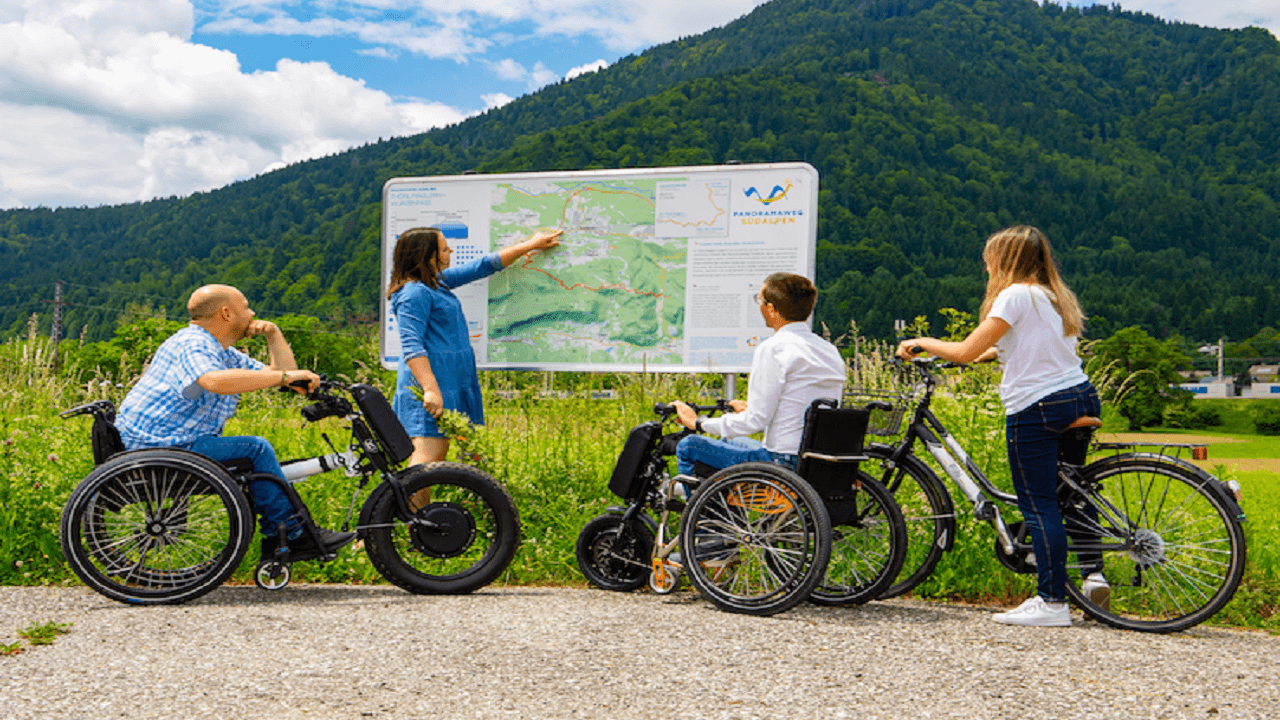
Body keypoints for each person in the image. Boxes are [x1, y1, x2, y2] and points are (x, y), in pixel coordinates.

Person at [896, 225, 1104, 628]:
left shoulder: (1013, 294)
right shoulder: (1052, 296)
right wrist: (994, 355)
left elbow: (965, 351)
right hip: (1076, 395)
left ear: (1003, 262)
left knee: (1039, 503)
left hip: (1038, 406)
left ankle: (1051, 602)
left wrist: (922, 342)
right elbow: (1010, 347)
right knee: (1067, 497)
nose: (986, 266)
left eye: (989, 260)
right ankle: (1092, 574)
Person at [114, 285, 352, 552]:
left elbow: (281, 374)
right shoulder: (193, 343)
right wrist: (285, 378)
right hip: (158, 446)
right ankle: (292, 535)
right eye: (247, 307)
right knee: (255, 449)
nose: (252, 314)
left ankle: (286, 532)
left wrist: (274, 335)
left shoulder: (221, 351)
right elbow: (213, 380)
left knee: (254, 450)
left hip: (171, 442)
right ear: (226, 313)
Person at [389, 226, 564, 466]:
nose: (450, 250)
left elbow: (482, 266)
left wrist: (530, 245)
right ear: (427, 256)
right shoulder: (414, 293)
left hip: (452, 381)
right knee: (426, 461)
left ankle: (430, 506)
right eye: (442, 248)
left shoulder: (436, 283)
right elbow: (412, 346)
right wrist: (430, 389)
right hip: (432, 385)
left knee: (441, 460)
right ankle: (409, 505)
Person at [670, 272, 846, 477]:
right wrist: (749, 410)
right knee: (730, 439)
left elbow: (755, 422)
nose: (760, 305)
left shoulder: (774, 348)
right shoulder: (828, 350)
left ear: (771, 309)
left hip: (782, 461)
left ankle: (698, 508)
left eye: (759, 300)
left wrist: (698, 423)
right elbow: (797, 407)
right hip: (817, 459)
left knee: (689, 445)